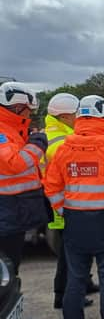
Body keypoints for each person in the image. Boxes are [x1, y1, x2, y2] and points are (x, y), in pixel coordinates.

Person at [43, 95, 104, 319]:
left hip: (75, 223)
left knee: (75, 279)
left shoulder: (65, 148)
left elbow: (51, 185)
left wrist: (64, 210)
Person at [43, 93, 98, 309]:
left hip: (63, 201)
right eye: (76, 114)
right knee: (69, 253)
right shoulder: (61, 141)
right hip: (64, 204)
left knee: (78, 247)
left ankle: (85, 282)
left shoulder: (60, 133)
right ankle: (63, 294)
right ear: (65, 116)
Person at [0, 81, 49, 274]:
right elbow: (14, 164)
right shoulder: (3, 132)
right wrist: (37, 144)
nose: (30, 115)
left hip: (12, 212)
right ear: (18, 108)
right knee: (7, 271)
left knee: (10, 269)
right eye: (28, 111)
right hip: (7, 212)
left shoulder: (12, 131)